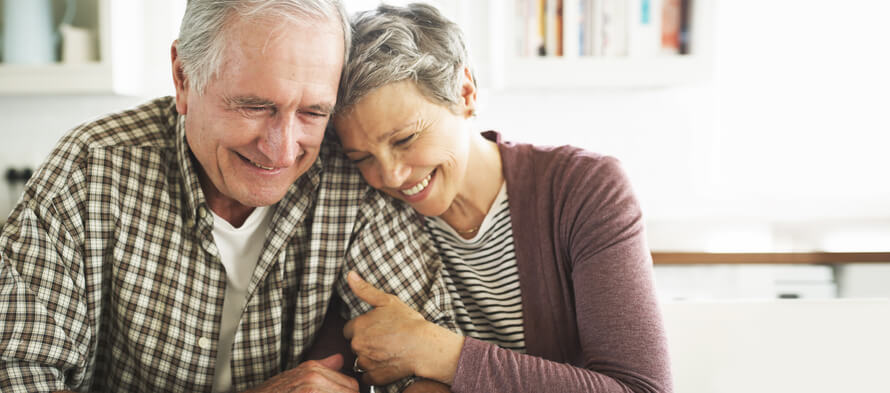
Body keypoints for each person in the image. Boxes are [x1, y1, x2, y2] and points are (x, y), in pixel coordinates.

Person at [0, 1, 456, 392]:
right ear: (183, 78)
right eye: (255, 106)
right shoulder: (92, 170)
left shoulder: (352, 170)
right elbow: (18, 375)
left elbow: (426, 361)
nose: (282, 150)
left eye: (314, 111)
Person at [332, 3, 673, 392]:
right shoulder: (371, 216)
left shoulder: (585, 190)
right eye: (362, 158)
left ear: (465, 93)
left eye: (405, 139)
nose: (390, 175)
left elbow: (642, 388)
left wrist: (441, 353)